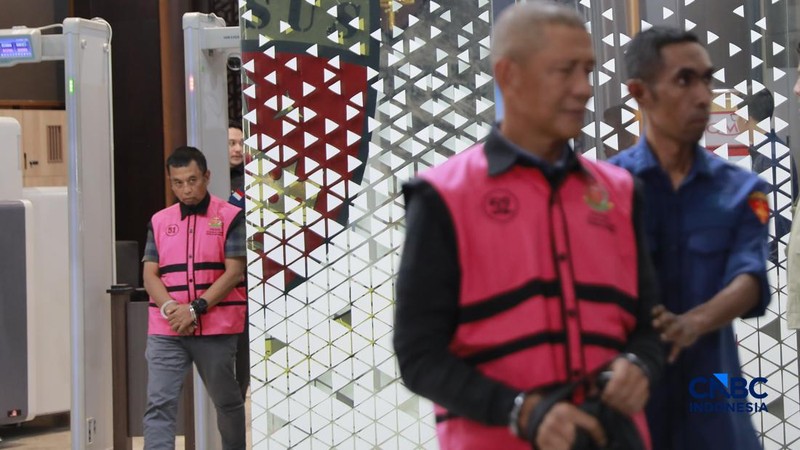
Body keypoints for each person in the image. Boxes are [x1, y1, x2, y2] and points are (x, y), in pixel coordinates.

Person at [393, 2, 663, 449]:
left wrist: (641, 363)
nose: (584, 89)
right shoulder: (443, 196)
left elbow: (649, 324)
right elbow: (419, 356)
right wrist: (522, 409)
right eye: (564, 71)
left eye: (588, 70)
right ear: (509, 75)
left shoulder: (621, 191)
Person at [609, 26, 770, 450]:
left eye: (707, 79)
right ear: (640, 93)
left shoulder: (744, 191)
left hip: (715, 416)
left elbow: (750, 278)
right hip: (627, 413)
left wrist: (692, 323)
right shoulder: (604, 191)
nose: (703, 96)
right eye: (685, 79)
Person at [142, 145, 247, 450]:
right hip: (167, 329)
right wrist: (172, 308)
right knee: (159, 406)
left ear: (207, 177)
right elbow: (150, 275)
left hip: (216, 327)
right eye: (178, 183)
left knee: (228, 401)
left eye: (192, 180)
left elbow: (234, 272)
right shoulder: (159, 220)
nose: (186, 189)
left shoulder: (231, 216)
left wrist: (195, 309)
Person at [228, 121, 245, 209]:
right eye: (231, 143)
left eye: (242, 143)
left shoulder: (249, 177)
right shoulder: (208, 176)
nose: (238, 149)